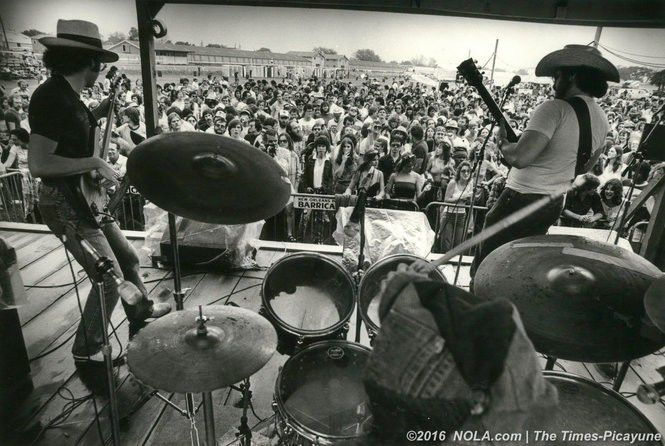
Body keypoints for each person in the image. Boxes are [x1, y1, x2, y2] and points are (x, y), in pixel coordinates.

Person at [27, 19, 171, 395]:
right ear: (87, 61)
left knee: (128, 258)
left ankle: (139, 315)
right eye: (99, 64)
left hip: (86, 200)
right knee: (108, 280)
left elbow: (72, 141)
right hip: (65, 206)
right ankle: (88, 350)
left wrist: (103, 109)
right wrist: (93, 164)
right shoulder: (49, 98)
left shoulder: (69, 97)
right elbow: (40, 165)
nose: (101, 71)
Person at [470, 45, 618, 280]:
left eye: (557, 76)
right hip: (553, 202)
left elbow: (519, 158)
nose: (553, 83)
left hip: (521, 198)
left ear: (571, 75)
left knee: (489, 263)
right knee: (519, 264)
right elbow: (584, 168)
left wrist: (502, 141)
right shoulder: (601, 117)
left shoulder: (554, 108)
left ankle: (478, 306)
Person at [438, 161, 474, 252]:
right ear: (459, 172)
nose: (466, 173)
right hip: (449, 214)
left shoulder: (469, 183)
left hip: (461, 215)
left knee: (458, 244)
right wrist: (462, 197)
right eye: (463, 171)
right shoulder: (453, 182)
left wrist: (470, 198)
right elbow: (446, 199)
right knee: (446, 243)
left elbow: (469, 202)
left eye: (468, 171)